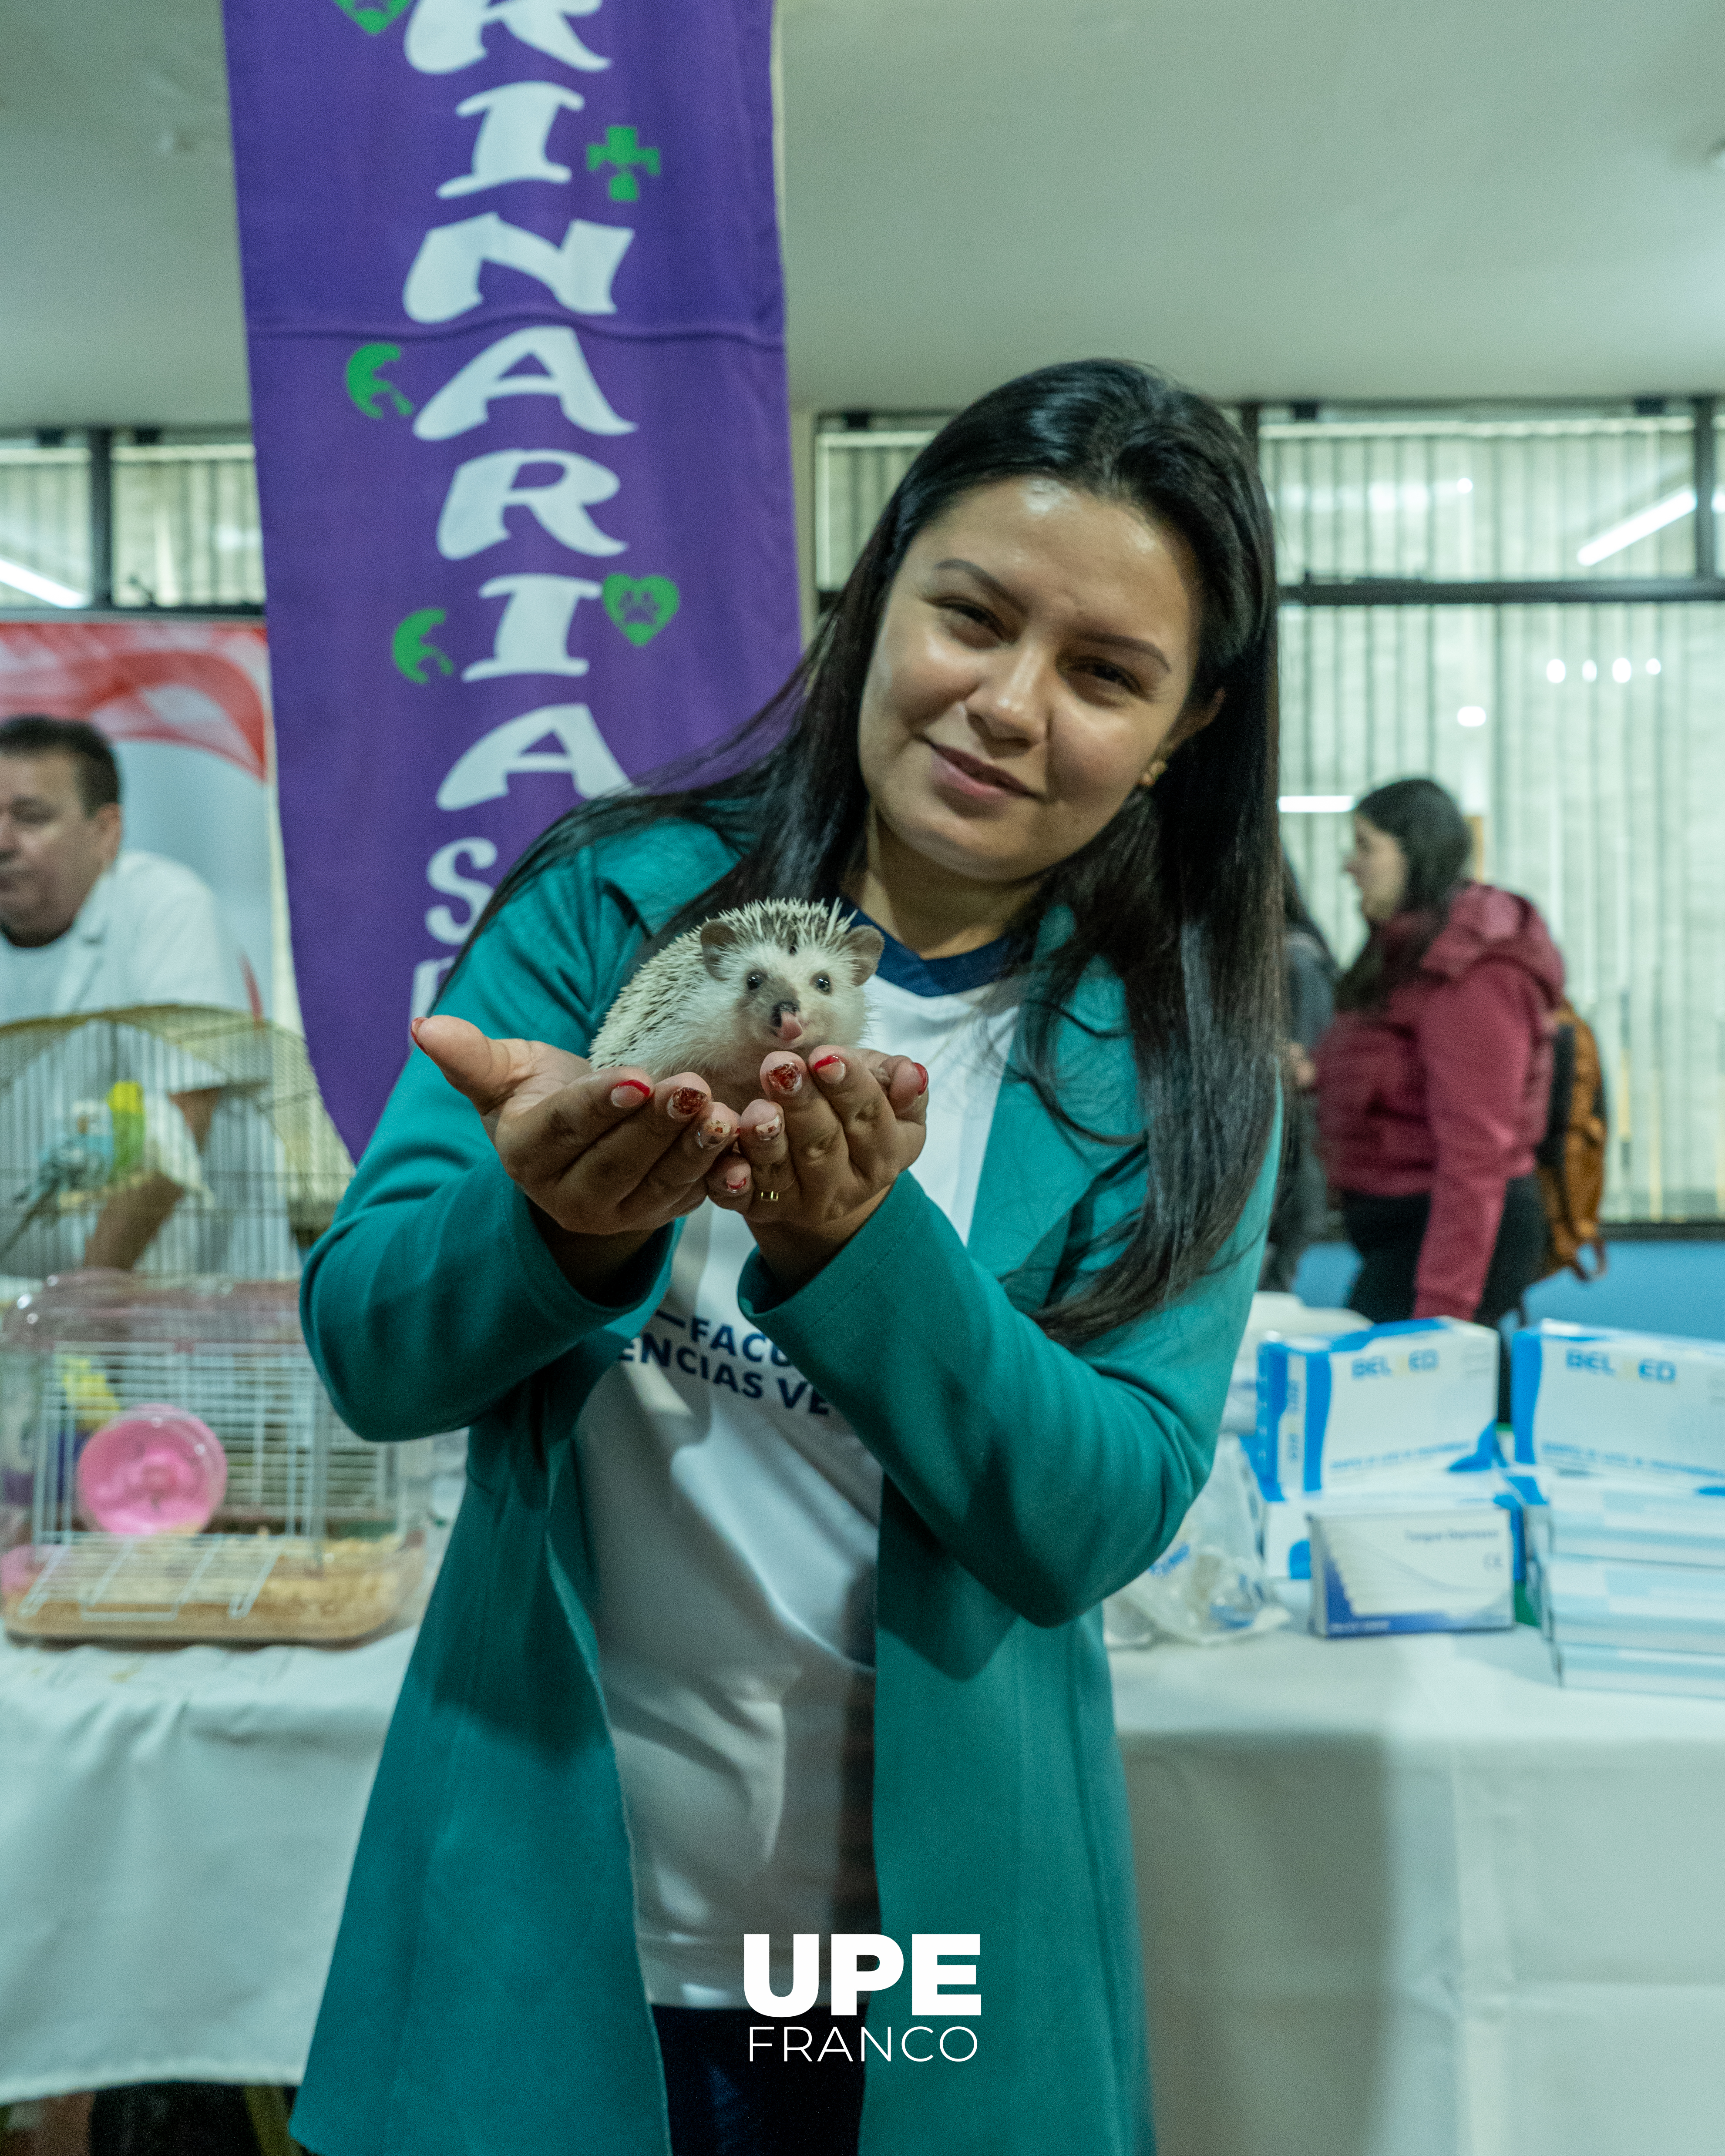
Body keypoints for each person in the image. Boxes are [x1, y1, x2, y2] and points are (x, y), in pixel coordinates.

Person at [290, 361, 1286, 2156]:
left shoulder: (1165, 1058)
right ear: (876, 590)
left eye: (1102, 673)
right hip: (560, 1898)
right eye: (970, 616)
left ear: (1183, 725)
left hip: (902, 1956)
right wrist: (555, 1227)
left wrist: (859, 1248)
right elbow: (371, 1346)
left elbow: (1093, 1513)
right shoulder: (615, 905)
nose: (1006, 705)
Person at [1314, 777, 1563, 1410]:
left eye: (1365, 846)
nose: (1348, 865)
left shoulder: (1471, 969)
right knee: (1412, 1410)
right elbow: (1395, 1069)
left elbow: (1475, 1152)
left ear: (1414, 852)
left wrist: (1441, 1318)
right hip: (1410, 1230)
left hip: (1452, 1234)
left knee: (1402, 1407)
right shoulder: (1408, 948)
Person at [0, 712, 254, 1273]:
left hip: (170, 1295)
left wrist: (87, 1293)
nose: (3, 843)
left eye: (31, 818)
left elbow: (179, 1123)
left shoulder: (167, 910)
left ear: (105, 831)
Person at [1259, 854, 1335, 1290]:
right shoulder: (1289, 955)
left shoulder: (1295, 960)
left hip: (1293, 1150)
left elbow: (1303, 1066)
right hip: (1286, 1151)